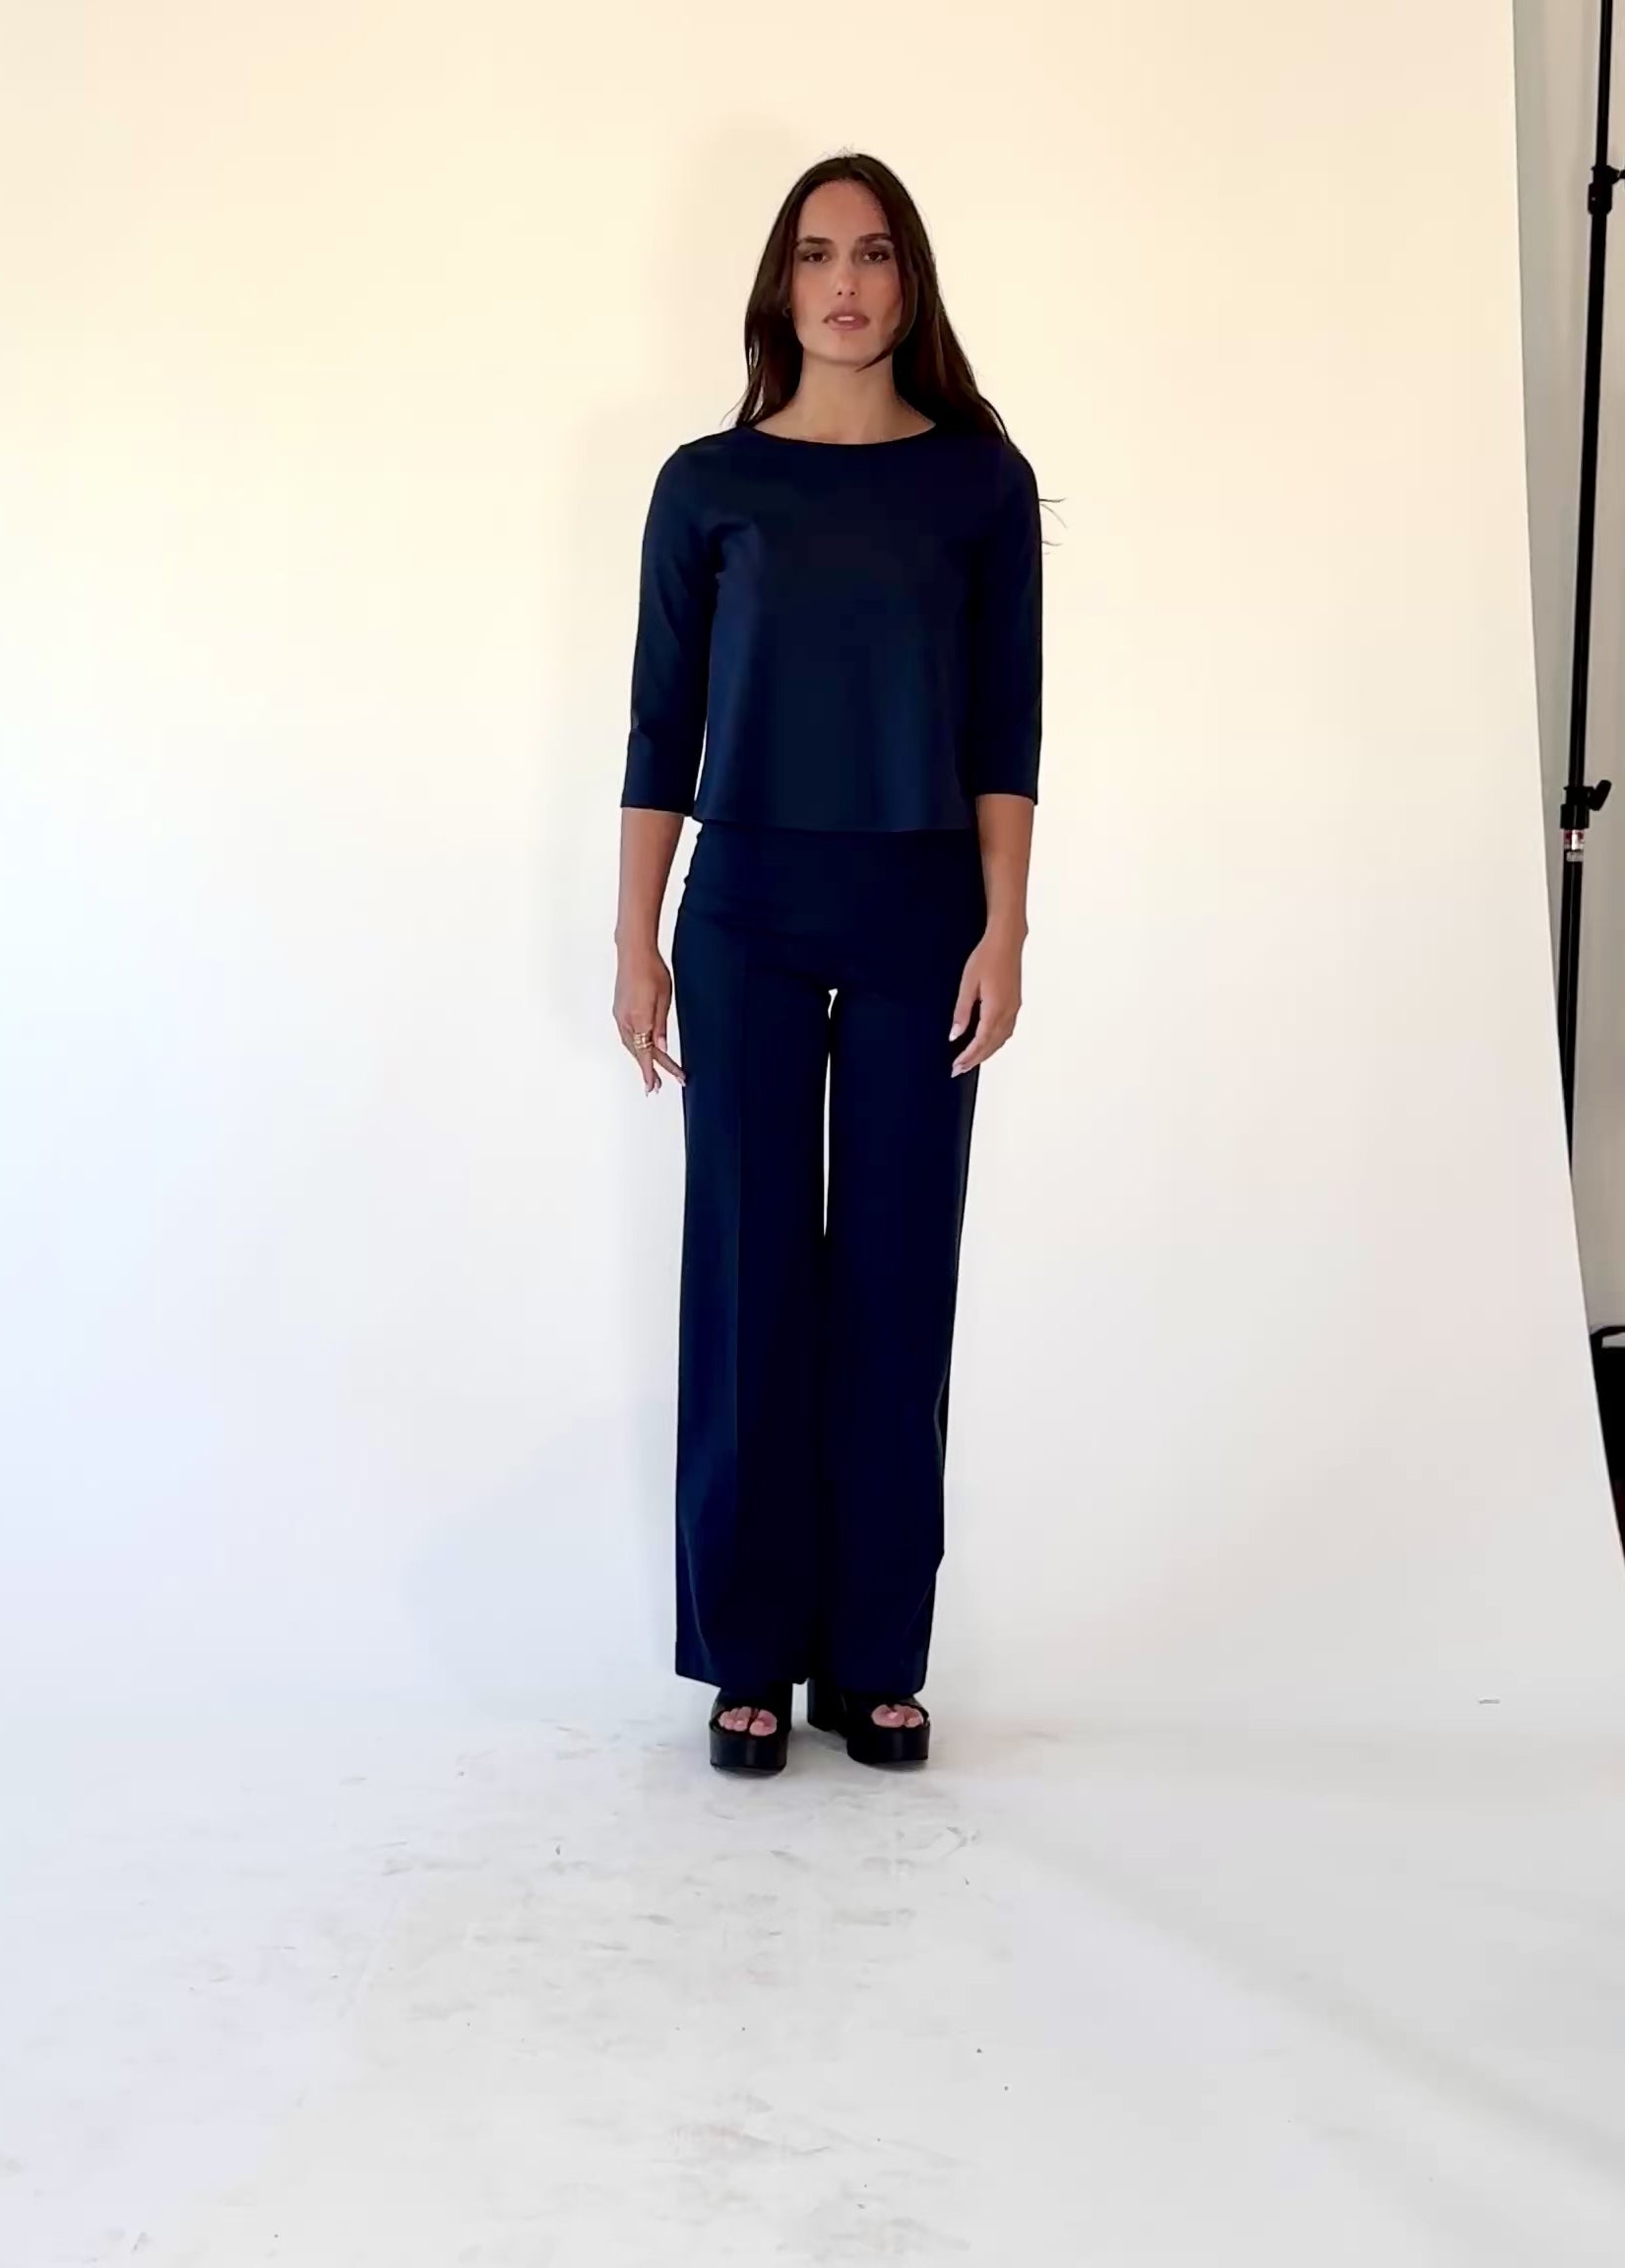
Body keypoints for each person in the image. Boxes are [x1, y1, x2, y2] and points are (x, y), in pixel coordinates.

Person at [612, 152, 1043, 1776]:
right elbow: (660, 726)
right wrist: (634, 937)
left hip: (923, 909)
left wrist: (1005, 924)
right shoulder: (705, 485)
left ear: (909, 282)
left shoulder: (977, 484)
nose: (844, 284)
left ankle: (871, 1660)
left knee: (894, 1275)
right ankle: (746, 1653)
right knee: (745, 1276)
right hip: (744, 914)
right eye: (814, 255)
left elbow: (1004, 726)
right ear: (777, 286)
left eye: (871, 254)